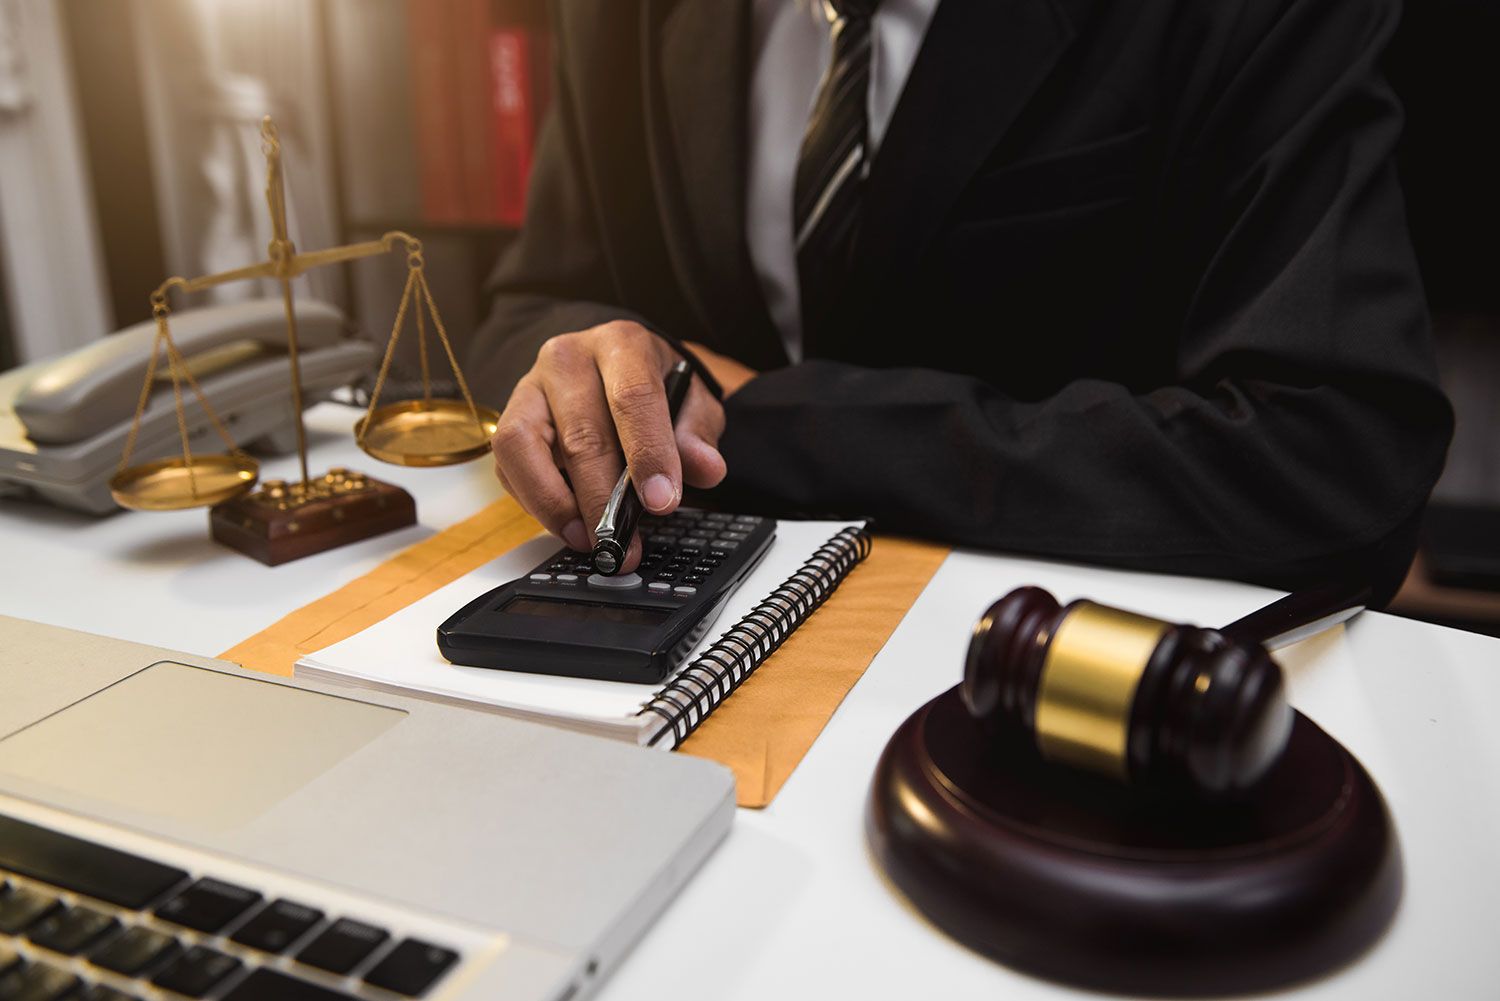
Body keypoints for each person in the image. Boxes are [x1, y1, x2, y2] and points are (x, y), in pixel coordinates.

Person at [465, 0, 1453, 600]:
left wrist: (769, 420)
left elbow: (1338, 456)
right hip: (702, 648)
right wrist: (589, 367)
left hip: (1055, 679)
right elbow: (534, 299)